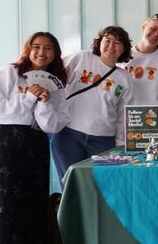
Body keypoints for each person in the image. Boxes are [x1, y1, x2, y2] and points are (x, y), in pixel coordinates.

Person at [0, 32, 69, 244]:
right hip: (5, 140)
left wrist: (43, 102)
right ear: (27, 49)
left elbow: (54, 124)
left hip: (36, 141)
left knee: (33, 197)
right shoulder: (8, 73)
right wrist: (29, 97)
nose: (42, 52)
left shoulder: (56, 82)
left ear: (55, 53)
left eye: (48, 48)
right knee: (6, 196)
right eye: (37, 46)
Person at [51, 26, 133, 182]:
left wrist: (121, 144)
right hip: (68, 134)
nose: (111, 46)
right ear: (99, 42)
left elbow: (124, 115)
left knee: (101, 186)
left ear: (124, 49)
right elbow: (54, 78)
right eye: (107, 40)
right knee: (71, 184)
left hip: (103, 140)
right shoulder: (82, 58)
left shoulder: (125, 78)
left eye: (117, 43)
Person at [120, 14, 158, 144]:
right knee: (131, 160)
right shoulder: (122, 57)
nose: (156, 34)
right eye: (153, 28)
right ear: (143, 27)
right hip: (130, 118)